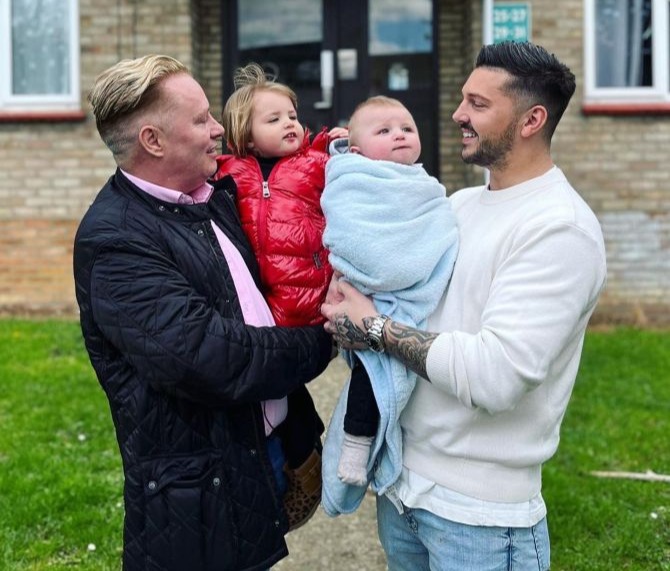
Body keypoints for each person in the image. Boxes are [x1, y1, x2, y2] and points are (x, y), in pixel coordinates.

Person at [321, 41, 607, 571]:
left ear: (531, 119)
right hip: (404, 493)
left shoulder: (559, 229)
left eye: (477, 104)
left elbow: (495, 376)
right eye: (462, 101)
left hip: (479, 521)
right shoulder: (458, 205)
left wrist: (375, 327)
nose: (457, 115)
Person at [73, 54, 334, 571]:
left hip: (260, 459)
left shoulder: (212, 197)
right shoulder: (116, 240)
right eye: (201, 120)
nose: (219, 129)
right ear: (153, 141)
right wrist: (325, 339)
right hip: (200, 497)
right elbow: (210, 358)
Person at [211, 62, 346, 531]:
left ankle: (306, 461)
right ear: (244, 138)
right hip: (260, 309)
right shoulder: (227, 172)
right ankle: (299, 458)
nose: (291, 123)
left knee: (282, 385)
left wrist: (338, 144)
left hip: (306, 304)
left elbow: (346, 168)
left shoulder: (315, 165)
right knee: (275, 393)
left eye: (293, 114)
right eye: (274, 119)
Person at [318, 96, 458, 504]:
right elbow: (352, 232)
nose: (399, 134)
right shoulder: (352, 178)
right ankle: (356, 445)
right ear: (357, 151)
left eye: (407, 128)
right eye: (384, 130)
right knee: (371, 375)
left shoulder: (424, 186)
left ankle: (377, 446)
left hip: (405, 303)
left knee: (390, 374)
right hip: (370, 293)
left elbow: (438, 228)